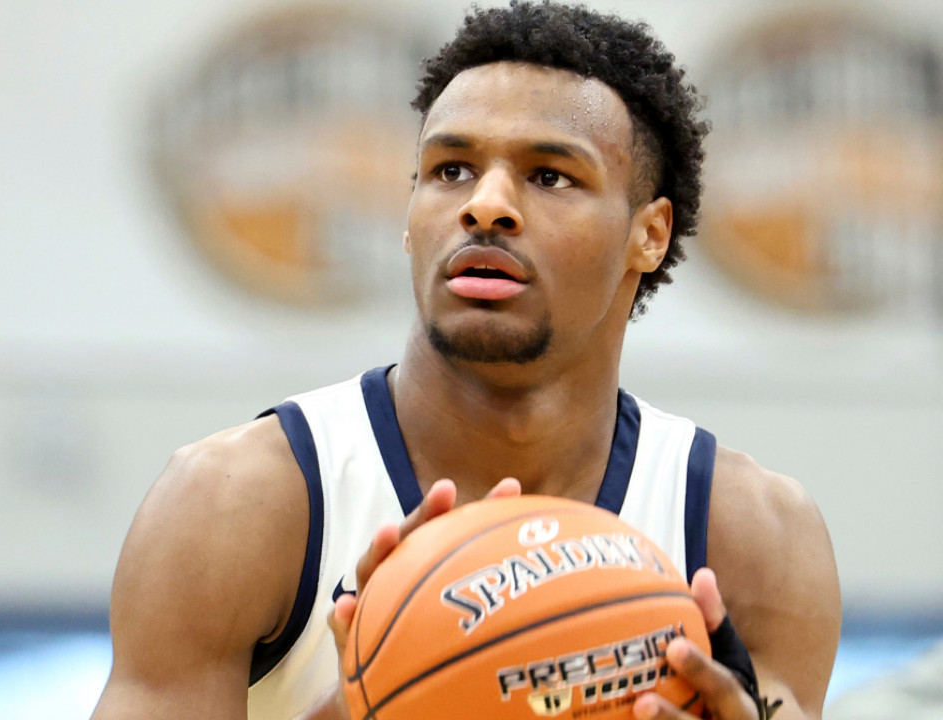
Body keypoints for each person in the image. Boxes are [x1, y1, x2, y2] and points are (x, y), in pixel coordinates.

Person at [90, 2, 841, 720]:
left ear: (649, 234)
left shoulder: (747, 531)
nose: (485, 205)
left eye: (550, 176)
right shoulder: (240, 503)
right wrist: (362, 706)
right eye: (450, 169)